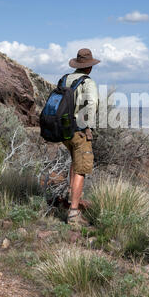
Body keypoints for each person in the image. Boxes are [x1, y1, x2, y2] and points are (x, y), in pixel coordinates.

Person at [63, 48, 100, 227]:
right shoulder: (87, 82)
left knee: (74, 163)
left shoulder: (66, 79)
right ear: (89, 67)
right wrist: (88, 126)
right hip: (79, 130)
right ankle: (73, 214)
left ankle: (71, 201)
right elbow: (92, 103)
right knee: (81, 169)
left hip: (64, 131)